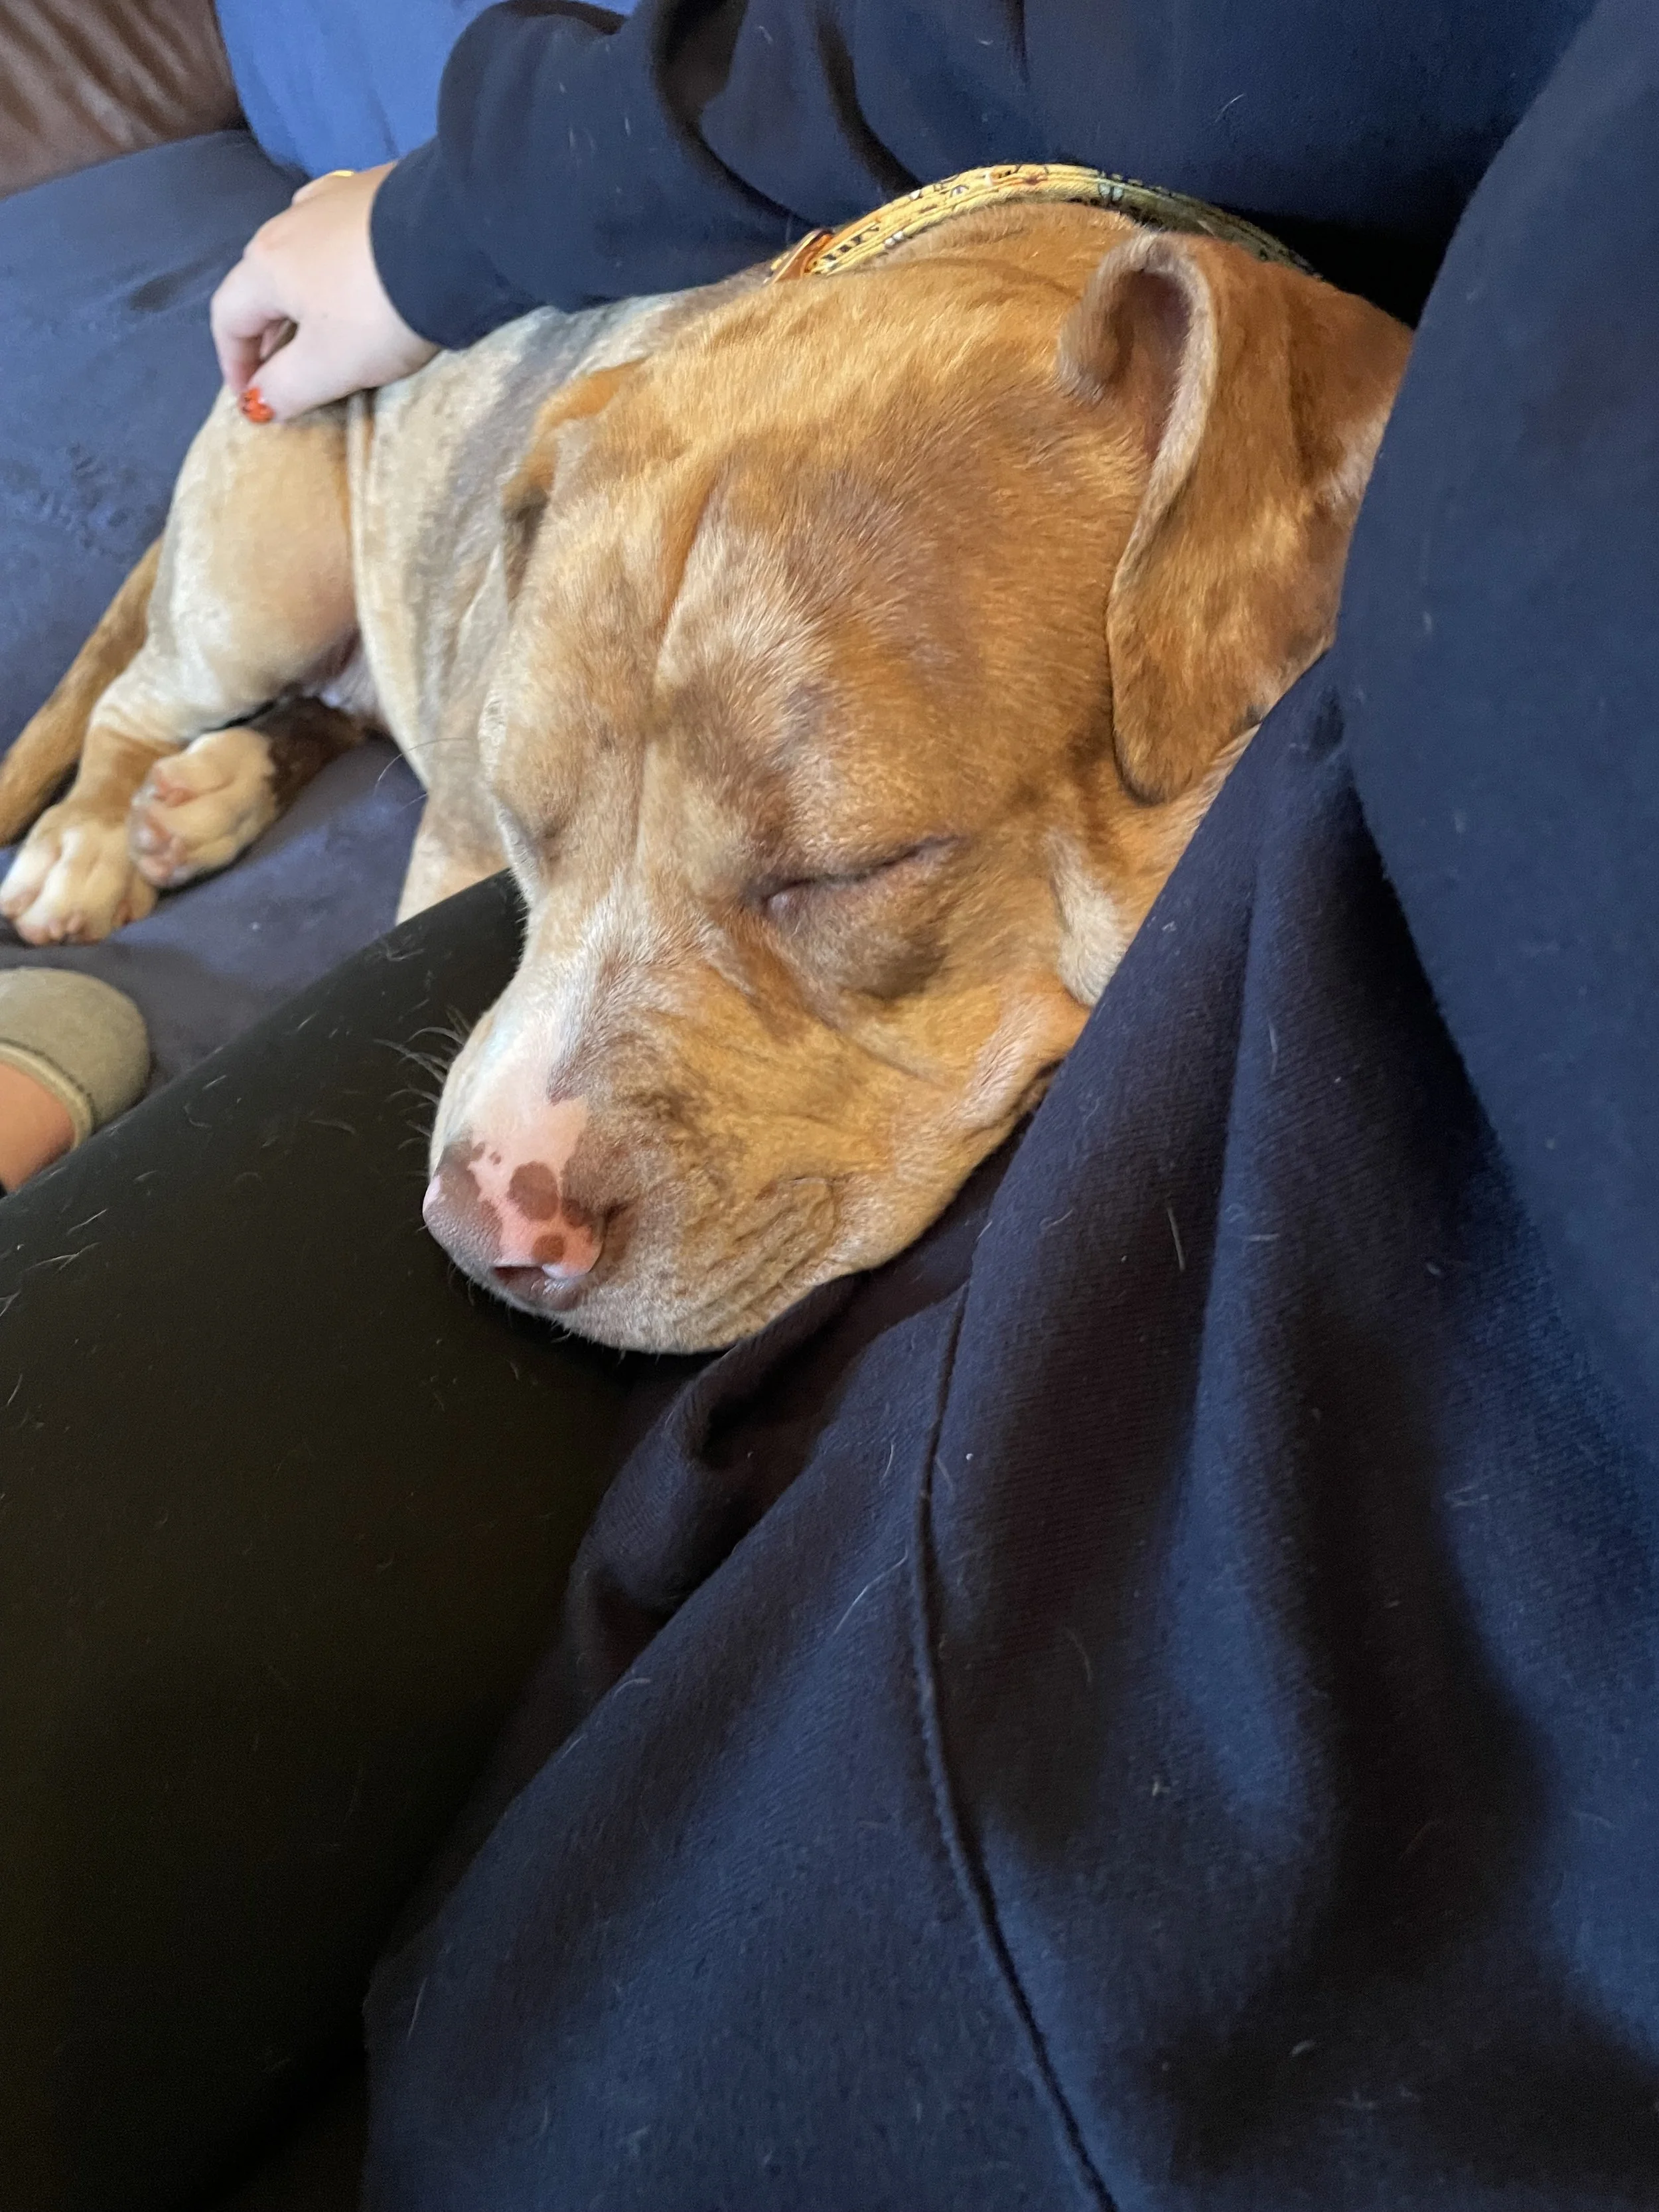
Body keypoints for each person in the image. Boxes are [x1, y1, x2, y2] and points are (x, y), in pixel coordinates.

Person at [3, 2, 1656, 2207]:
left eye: (835, 870)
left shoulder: (1230, 477)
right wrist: (441, 237)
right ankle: (172, 736)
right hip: (393, 427)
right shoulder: (659, 457)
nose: (505, 1166)